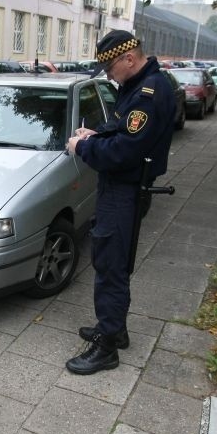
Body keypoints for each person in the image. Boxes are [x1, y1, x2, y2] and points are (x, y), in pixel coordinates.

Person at [64, 30, 175, 375]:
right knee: (112, 260)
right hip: (121, 189)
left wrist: (82, 148)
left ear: (129, 58)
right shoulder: (139, 85)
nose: (109, 76)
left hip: (125, 190)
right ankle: (116, 328)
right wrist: (98, 135)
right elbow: (125, 132)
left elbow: (125, 152)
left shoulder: (148, 93)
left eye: (110, 68)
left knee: (110, 265)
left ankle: (106, 347)